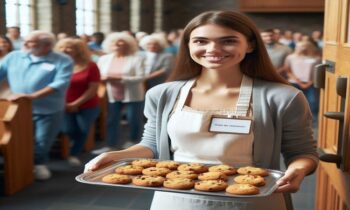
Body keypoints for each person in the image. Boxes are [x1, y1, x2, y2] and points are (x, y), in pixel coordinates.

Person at [84, 11, 318, 210]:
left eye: (228, 41)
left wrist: (298, 170)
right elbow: (152, 145)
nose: (213, 49)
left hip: (253, 201)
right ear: (188, 45)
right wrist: (117, 155)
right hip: (175, 199)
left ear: (250, 45)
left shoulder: (282, 97)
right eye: (201, 41)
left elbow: (303, 153)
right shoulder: (163, 94)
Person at [0, 30, 73, 180]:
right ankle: (23, 165)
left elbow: (60, 83)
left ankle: (40, 164)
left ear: (46, 46)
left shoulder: (62, 60)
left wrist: (32, 96)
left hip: (48, 108)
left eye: (30, 42)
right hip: (19, 108)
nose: (24, 44)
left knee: (42, 139)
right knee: (19, 138)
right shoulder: (14, 56)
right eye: (25, 40)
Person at [91, 32, 145, 155]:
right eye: (115, 42)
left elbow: (141, 77)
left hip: (133, 94)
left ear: (129, 44)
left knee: (133, 120)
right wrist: (104, 78)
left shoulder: (137, 58)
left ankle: (133, 142)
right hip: (112, 94)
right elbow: (99, 74)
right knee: (112, 120)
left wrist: (117, 78)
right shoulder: (104, 58)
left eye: (122, 42)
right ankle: (111, 145)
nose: (118, 44)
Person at [55, 38, 101, 166]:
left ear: (79, 50)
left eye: (69, 47)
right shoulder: (57, 64)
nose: (64, 50)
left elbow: (92, 89)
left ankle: (73, 153)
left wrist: (76, 104)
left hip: (87, 104)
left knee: (83, 130)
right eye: (61, 47)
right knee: (67, 129)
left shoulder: (91, 65)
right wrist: (66, 104)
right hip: (63, 104)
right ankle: (74, 146)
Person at [284, 40, 321, 119]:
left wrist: (310, 82)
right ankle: (293, 119)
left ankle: (312, 121)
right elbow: (288, 71)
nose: (302, 48)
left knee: (312, 102)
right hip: (294, 83)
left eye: (304, 46)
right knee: (294, 102)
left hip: (311, 83)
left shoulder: (316, 58)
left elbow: (317, 72)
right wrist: (299, 82)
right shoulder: (290, 57)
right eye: (300, 46)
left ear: (309, 47)